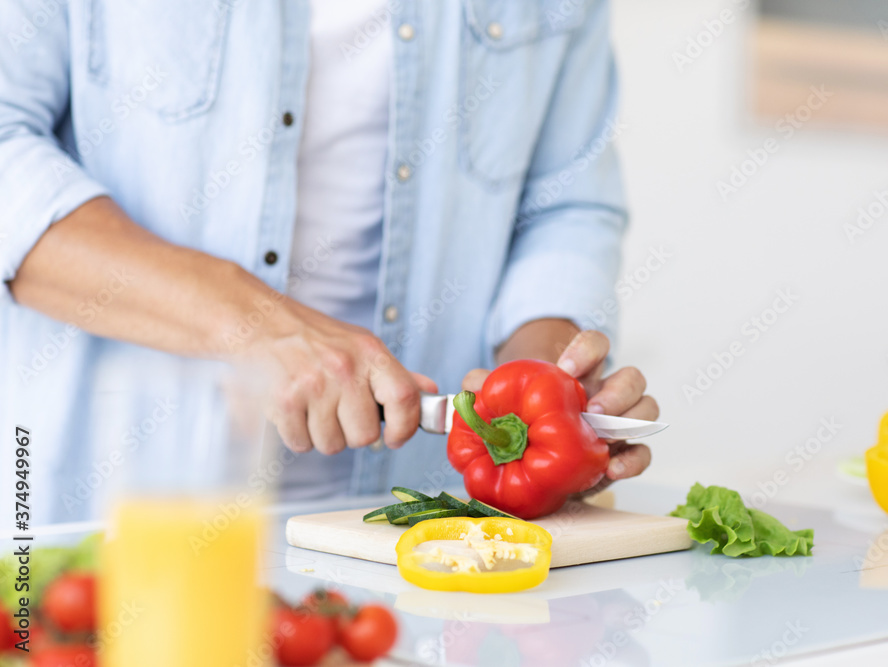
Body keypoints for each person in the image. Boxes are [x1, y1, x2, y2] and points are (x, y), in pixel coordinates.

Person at [0, 0, 657, 524]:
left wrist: (545, 390)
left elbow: (566, 205)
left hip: (422, 530)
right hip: (113, 513)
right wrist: (253, 321)